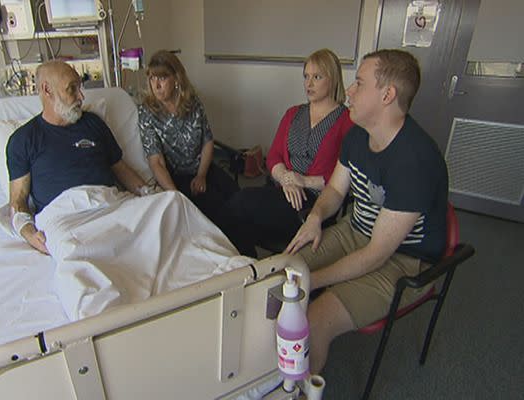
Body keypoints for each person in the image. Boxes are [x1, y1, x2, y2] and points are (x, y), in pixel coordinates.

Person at [285, 49, 449, 374]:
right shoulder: (358, 135)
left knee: (314, 320)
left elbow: (376, 255)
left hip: (401, 260)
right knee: (280, 273)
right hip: (355, 231)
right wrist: (316, 217)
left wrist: (311, 281)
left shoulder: (415, 161)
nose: (349, 91)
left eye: (359, 83)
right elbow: (334, 190)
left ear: (387, 95)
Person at [6, 60, 150, 254]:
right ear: (47, 90)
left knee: (173, 206)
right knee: (81, 256)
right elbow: (18, 199)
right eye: (71, 89)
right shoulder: (23, 139)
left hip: (112, 205)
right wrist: (28, 232)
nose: (81, 97)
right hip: (65, 217)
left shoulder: (93, 124)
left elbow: (121, 169)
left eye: (79, 88)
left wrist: (150, 194)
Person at [220, 49, 353, 257]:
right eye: (306, 76)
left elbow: (347, 176)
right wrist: (286, 178)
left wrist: (304, 181)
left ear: (333, 79)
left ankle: (247, 268)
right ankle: (249, 266)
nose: (309, 84)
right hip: (281, 189)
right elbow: (273, 156)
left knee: (239, 204)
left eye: (317, 77)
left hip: (314, 201)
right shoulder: (293, 113)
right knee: (234, 210)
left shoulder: (347, 120)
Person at [138, 50, 239, 226]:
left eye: (162, 78)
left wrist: (201, 175)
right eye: (152, 78)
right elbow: (157, 163)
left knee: (238, 196)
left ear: (176, 79)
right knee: (220, 212)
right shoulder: (147, 112)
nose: (156, 85)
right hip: (177, 178)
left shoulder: (193, 103)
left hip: (203, 168)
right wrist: (175, 195)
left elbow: (207, 141)